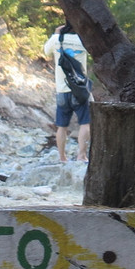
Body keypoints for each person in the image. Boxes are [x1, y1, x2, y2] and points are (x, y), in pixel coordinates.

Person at [42, 21, 90, 163]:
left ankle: (62, 157)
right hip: (80, 89)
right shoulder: (83, 40)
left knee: (61, 127)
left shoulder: (57, 39)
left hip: (62, 90)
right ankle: (81, 155)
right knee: (85, 123)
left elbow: (46, 50)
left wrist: (56, 33)